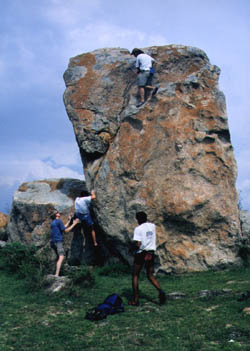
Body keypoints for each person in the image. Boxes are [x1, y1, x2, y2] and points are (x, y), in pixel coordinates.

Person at [129, 211, 166, 306]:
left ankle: (136, 299)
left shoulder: (138, 229)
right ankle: (160, 291)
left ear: (138, 219)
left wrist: (132, 248)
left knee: (135, 275)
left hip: (142, 252)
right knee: (150, 275)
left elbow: (138, 244)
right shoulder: (152, 226)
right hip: (151, 252)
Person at [50, 211, 80, 276]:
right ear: (56, 215)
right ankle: (56, 274)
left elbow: (63, 228)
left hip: (53, 242)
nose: (59, 213)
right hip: (58, 241)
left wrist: (69, 221)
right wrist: (74, 223)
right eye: (57, 212)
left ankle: (56, 272)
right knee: (61, 256)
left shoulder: (53, 222)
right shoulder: (58, 221)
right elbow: (66, 231)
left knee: (58, 257)